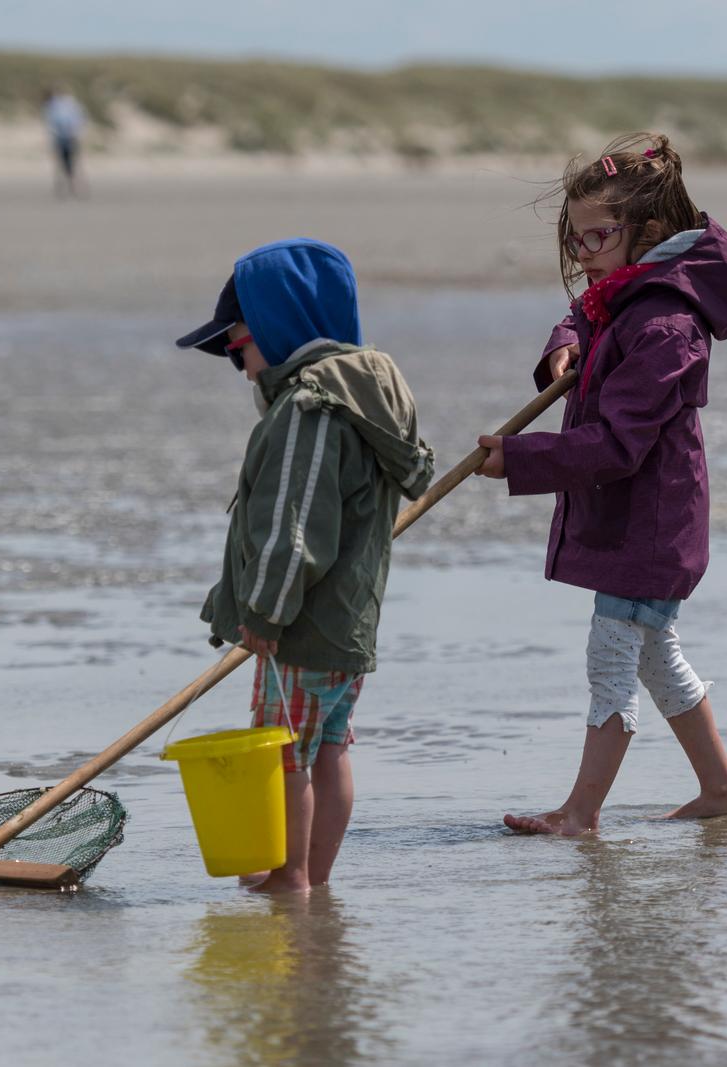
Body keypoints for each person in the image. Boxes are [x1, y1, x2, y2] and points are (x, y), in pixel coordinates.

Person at [475, 132, 727, 833]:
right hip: (644, 522)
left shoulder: (666, 322)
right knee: (657, 656)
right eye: (574, 241)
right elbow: (583, 315)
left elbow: (618, 446)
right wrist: (562, 347)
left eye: (596, 237)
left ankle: (579, 811)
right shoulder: (627, 293)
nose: (582, 255)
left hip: (651, 525)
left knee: (612, 656)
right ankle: (720, 789)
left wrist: (521, 458)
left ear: (650, 233)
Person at [177, 238, 435, 892]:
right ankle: (311, 879)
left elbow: (293, 528)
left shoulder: (309, 410)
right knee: (329, 749)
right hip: (344, 625)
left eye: (237, 348)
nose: (238, 367)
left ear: (278, 329)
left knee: (288, 752)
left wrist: (264, 612)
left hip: (303, 626)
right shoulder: (360, 401)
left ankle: (292, 876)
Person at [41, 88, 86, 198]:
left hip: (66, 137)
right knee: (67, 164)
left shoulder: (57, 106)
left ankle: (70, 188)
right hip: (67, 137)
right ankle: (70, 188)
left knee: (67, 164)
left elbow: (52, 123)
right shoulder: (66, 105)